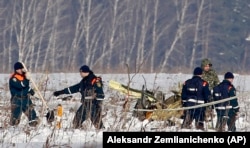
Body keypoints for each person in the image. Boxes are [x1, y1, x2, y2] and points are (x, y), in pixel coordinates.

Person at [53, 65, 105, 129]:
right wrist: (61, 92)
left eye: (81, 72)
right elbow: (74, 88)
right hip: (85, 104)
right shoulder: (83, 82)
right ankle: (77, 130)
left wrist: (98, 104)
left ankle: (102, 132)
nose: (80, 74)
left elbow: (101, 94)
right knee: (77, 120)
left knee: (97, 122)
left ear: (86, 72)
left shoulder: (95, 80)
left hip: (93, 104)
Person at [9, 62, 39, 127]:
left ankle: (33, 127)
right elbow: (21, 85)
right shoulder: (13, 78)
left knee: (32, 114)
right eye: (19, 69)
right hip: (16, 100)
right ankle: (12, 130)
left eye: (21, 69)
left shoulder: (24, 77)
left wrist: (33, 93)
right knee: (15, 118)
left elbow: (27, 88)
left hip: (26, 99)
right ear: (16, 70)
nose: (20, 70)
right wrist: (27, 79)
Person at [200, 58, 220, 124]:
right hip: (201, 94)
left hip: (210, 94)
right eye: (206, 66)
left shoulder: (212, 73)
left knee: (209, 108)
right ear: (203, 66)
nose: (207, 67)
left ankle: (209, 121)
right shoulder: (199, 73)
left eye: (208, 66)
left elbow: (216, 83)